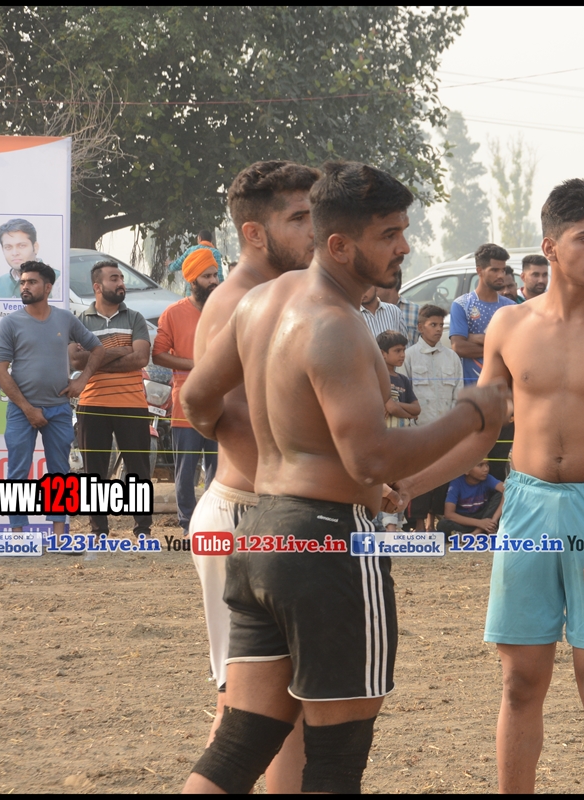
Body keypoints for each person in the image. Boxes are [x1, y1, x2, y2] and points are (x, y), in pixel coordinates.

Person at [180, 160, 511, 794]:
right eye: (389, 234)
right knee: (335, 762)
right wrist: (472, 413)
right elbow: (371, 460)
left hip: (261, 530)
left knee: (239, 745)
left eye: (403, 230)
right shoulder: (335, 324)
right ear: (339, 245)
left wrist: (273, 450)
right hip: (328, 544)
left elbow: (196, 401)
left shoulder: (261, 302)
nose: (404, 247)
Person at [397, 177, 584, 794]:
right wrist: (409, 483)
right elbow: (480, 434)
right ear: (550, 247)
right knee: (520, 681)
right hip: (525, 505)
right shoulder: (508, 326)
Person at [186, 159, 321, 793]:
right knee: (248, 709)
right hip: (245, 511)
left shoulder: (284, 294)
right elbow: (224, 416)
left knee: (286, 702)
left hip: (273, 511)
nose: (314, 230)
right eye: (299, 218)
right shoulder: (236, 301)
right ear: (254, 232)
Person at [0, 261, 105, 535]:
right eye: (22, 282)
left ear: (47, 288)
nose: (25, 286)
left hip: (59, 408)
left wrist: (82, 380)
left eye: (31, 282)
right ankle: (18, 536)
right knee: (18, 471)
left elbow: (98, 349)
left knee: (59, 473)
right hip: (21, 411)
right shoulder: (10, 323)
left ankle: (58, 534)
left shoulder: (65, 319)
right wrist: (27, 409)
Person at [72, 259, 154, 538]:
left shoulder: (135, 318)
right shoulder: (80, 321)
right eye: (114, 278)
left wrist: (95, 357)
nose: (121, 283)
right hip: (92, 403)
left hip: (132, 404)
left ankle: (143, 529)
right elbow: (75, 360)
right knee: (94, 472)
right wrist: (123, 350)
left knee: (138, 471)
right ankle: (99, 531)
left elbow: (141, 358)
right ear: (97, 287)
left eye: (121, 278)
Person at [152, 249, 221, 534]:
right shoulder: (173, 313)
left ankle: (216, 521)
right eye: (207, 276)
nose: (214, 281)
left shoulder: (226, 309)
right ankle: (188, 524)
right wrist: (195, 364)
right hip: (186, 400)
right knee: (186, 467)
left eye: (215, 274)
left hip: (222, 401)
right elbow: (158, 355)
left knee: (219, 468)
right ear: (192, 280)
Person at [403, 305, 464, 530]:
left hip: (445, 431)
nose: (438, 329)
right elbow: (403, 393)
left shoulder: (452, 357)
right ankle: (418, 523)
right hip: (419, 431)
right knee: (420, 476)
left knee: (442, 476)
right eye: (433, 325)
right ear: (421, 327)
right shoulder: (409, 357)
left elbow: (458, 393)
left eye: (440, 325)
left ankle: (433, 522)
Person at [450, 243, 515, 385]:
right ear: (479, 271)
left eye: (503, 270)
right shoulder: (461, 305)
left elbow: (516, 347)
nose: (500, 275)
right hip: (473, 388)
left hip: (505, 389)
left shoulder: (512, 308)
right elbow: (459, 347)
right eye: (494, 270)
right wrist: (498, 348)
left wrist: (476, 338)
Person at [438, 459, 505, 534]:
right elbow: (449, 514)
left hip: (484, 516)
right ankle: (482, 531)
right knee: (443, 525)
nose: (486, 469)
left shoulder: (487, 478)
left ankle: (476, 532)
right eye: (480, 465)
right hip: (464, 520)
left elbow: (507, 490)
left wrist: (493, 519)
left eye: (487, 464)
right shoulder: (456, 482)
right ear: (466, 470)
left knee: (500, 496)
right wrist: (479, 523)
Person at [0, 219, 55, 298]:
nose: (15, 253)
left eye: (22, 246)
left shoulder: (57, 281)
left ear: (35, 247)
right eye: (8, 247)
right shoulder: (0, 283)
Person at [377, 330, 420, 427]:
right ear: (383, 353)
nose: (403, 355)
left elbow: (417, 408)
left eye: (404, 350)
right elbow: (392, 408)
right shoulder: (377, 377)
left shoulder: (403, 379)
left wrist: (396, 404)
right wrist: (409, 415)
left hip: (402, 432)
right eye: (397, 351)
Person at [168, 229, 226, 296]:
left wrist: (170, 265)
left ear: (199, 238)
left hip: (192, 294)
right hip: (211, 294)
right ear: (211, 240)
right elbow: (219, 275)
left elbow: (177, 265)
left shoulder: (191, 250)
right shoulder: (215, 252)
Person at [377, 269, 421, 344]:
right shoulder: (368, 312)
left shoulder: (416, 311)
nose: (373, 287)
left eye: (377, 283)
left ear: (390, 284)